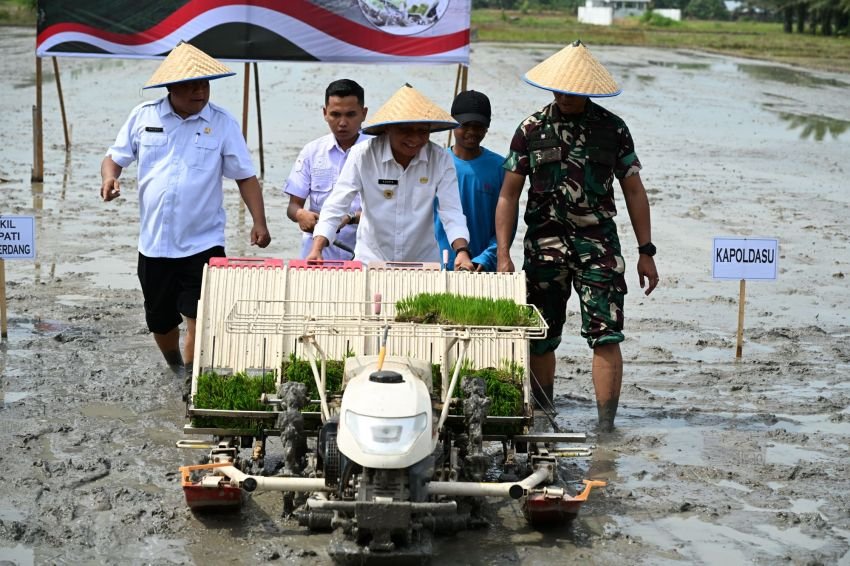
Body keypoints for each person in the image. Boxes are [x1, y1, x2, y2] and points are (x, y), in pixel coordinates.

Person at [494, 40, 659, 432]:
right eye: (559, 89)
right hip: (545, 249)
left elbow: (634, 190)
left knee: (606, 335)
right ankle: (542, 415)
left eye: (573, 91)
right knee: (539, 335)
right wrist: (503, 254)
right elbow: (508, 194)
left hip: (598, 248)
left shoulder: (613, 129)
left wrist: (646, 251)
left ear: (587, 89)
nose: (564, 97)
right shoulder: (530, 129)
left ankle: (605, 426)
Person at [100, 41, 271, 385]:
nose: (200, 91)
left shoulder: (222, 123)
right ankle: (176, 367)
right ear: (170, 87)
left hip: (203, 241)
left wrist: (259, 222)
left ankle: (191, 383)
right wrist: (110, 178)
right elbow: (115, 157)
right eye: (192, 85)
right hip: (154, 243)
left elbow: (245, 176)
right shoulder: (143, 116)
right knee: (161, 320)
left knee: (200, 316)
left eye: (205, 84)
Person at [307, 84, 474, 270]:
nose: (415, 138)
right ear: (388, 129)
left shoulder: (440, 159)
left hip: (422, 264)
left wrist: (461, 251)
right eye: (406, 130)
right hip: (370, 262)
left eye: (422, 131)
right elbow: (336, 205)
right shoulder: (363, 155)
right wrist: (317, 248)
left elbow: (451, 211)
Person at [284, 79, 369, 259]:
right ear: (324, 113)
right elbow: (293, 206)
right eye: (335, 114)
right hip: (317, 253)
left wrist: (351, 217)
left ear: (364, 113)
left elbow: (386, 212)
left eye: (350, 114)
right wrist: (301, 215)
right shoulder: (312, 152)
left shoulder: (375, 152)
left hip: (362, 252)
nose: (342, 122)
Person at [434, 90, 507, 271]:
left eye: (478, 126)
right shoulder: (434, 163)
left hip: (481, 268)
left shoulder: (501, 168)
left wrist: (486, 258)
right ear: (453, 123)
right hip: (436, 265)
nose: (472, 132)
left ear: (487, 127)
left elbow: (507, 224)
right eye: (465, 125)